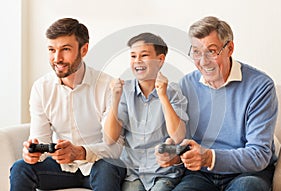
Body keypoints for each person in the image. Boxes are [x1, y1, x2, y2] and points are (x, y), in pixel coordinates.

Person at [156, 16, 278, 191]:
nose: (203, 61)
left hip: (247, 174)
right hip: (200, 174)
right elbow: (181, 139)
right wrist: (172, 153)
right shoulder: (186, 85)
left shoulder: (260, 86)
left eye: (211, 51)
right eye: (196, 52)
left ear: (230, 48)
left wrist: (209, 157)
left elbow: (259, 155)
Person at [10, 18, 126, 191]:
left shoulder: (108, 86)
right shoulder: (41, 88)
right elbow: (40, 139)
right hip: (61, 167)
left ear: (84, 49)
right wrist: (33, 154)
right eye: (51, 50)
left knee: (107, 168)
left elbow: (116, 148)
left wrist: (80, 152)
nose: (57, 58)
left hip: (99, 165)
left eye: (65, 49)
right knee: (21, 168)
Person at [103, 32, 189, 191]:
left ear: (160, 60)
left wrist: (162, 96)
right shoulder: (124, 91)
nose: (137, 61)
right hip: (134, 173)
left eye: (144, 55)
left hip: (165, 173)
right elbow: (109, 139)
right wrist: (115, 98)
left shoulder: (173, 91)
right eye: (133, 56)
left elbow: (178, 136)